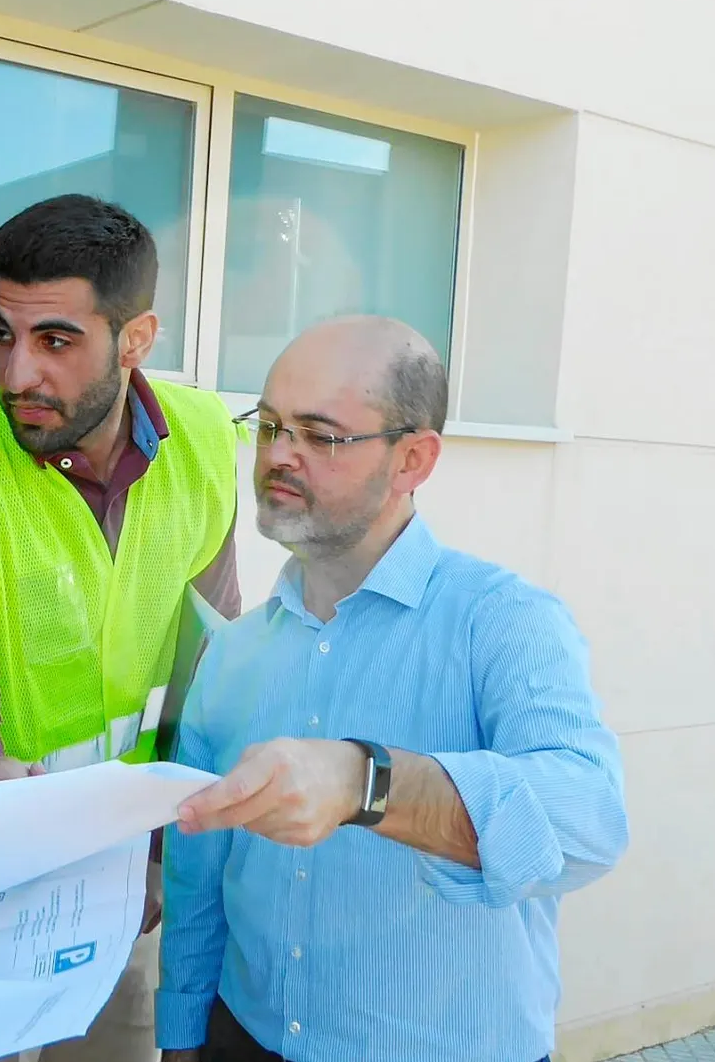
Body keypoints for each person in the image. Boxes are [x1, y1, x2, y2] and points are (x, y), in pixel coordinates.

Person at [157, 317, 629, 1062]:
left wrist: (367, 781)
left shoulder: (504, 621)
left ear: (413, 458)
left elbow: (591, 821)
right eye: (271, 425)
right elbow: (199, 877)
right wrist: (181, 1036)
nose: (278, 455)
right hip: (241, 1037)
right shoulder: (234, 652)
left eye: (320, 435)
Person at [0, 194, 244, 1062]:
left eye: (56, 341)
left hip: (126, 881)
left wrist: (162, 856)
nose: (15, 373)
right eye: (1, 332)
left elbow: (209, 668)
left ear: (137, 338)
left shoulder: (202, 440)